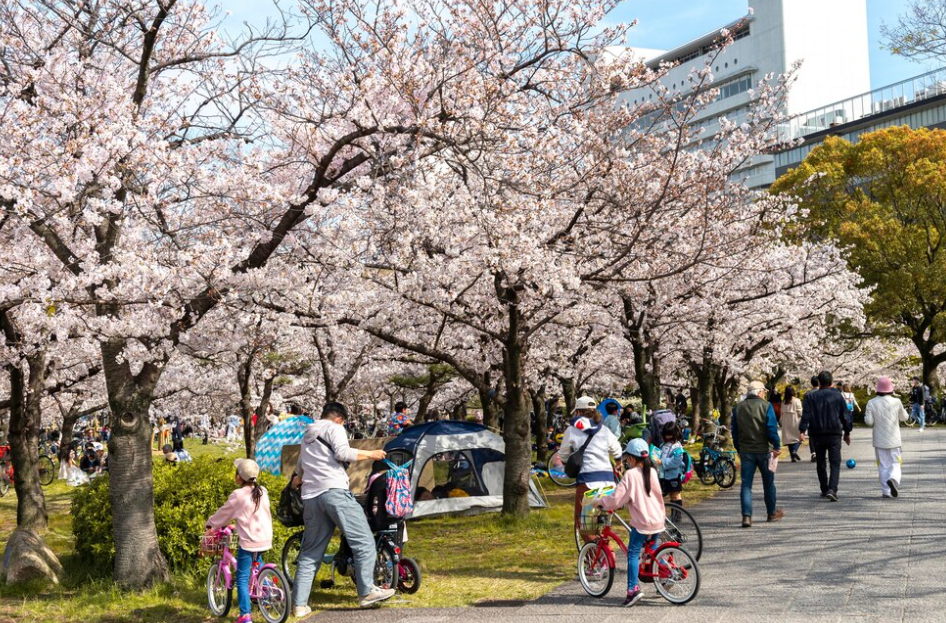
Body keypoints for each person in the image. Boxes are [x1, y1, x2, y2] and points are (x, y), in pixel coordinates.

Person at [290, 402, 394, 616]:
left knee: (310, 553)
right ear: (339, 419)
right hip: (335, 492)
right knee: (363, 540)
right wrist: (372, 454)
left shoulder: (307, 437)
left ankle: (299, 605)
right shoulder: (334, 428)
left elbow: (298, 473)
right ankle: (366, 592)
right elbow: (342, 452)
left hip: (311, 498)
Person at [594, 438, 665, 607]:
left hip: (643, 523)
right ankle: (664, 574)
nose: (626, 462)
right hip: (657, 519)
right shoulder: (652, 472)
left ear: (632, 459)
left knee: (633, 554)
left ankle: (632, 590)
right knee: (652, 549)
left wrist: (601, 502)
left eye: (627, 459)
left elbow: (616, 500)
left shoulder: (631, 475)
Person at [205, 458, 273, 623]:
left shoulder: (238, 494)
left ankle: (245, 615)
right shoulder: (262, 490)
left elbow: (224, 514)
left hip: (248, 542)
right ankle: (267, 592)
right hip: (264, 539)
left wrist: (211, 524)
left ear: (239, 477)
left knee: (242, 578)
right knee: (258, 566)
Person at [557, 396, 621, 544]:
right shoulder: (604, 429)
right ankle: (605, 555)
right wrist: (617, 463)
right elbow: (617, 450)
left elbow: (563, 455)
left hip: (588, 484)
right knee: (601, 523)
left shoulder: (572, 430)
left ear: (579, 412)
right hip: (608, 485)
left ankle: (597, 562)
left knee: (585, 526)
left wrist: (571, 462)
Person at [732, 381, 783, 527]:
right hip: (764, 451)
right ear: (759, 392)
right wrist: (777, 446)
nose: (765, 394)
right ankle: (771, 513)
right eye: (764, 392)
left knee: (746, 485)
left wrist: (738, 448)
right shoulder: (766, 406)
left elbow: (734, 431)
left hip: (746, 451)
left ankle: (746, 516)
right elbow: (771, 429)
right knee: (768, 484)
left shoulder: (738, 407)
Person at [799, 370, 852, 502]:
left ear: (819, 382)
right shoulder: (837, 396)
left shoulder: (810, 397)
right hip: (834, 433)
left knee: (821, 462)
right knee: (835, 462)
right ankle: (832, 489)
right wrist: (847, 432)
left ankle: (824, 488)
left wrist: (802, 431)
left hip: (817, 433)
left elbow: (806, 415)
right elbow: (844, 416)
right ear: (831, 382)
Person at [864, 377, 909, 498]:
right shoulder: (897, 402)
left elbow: (869, 422)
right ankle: (894, 479)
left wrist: (867, 414)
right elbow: (904, 418)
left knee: (883, 465)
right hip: (894, 439)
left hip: (879, 441)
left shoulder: (871, 403)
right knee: (896, 462)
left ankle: (886, 491)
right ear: (891, 389)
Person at [655, 422, 686, 508]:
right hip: (665, 475)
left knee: (675, 494)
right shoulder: (663, 445)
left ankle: (677, 516)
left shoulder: (677, 447)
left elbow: (676, 461)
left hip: (674, 475)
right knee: (670, 496)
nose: (668, 437)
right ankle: (674, 516)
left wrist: (663, 462)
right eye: (666, 435)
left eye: (670, 435)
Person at [780, 386, 803, 462]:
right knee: (798, 438)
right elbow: (800, 412)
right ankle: (794, 451)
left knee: (789, 439)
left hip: (786, 422)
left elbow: (781, 412)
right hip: (795, 421)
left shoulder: (783, 402)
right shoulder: (797, 400)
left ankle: (792, 457)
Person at [802, 375, 820, 462]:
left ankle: (813, 453)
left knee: (812, 436)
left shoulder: (807, 394)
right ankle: (820, 453)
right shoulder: (823, 393)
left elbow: (805, 409)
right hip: (821, 418)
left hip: (811, 418)